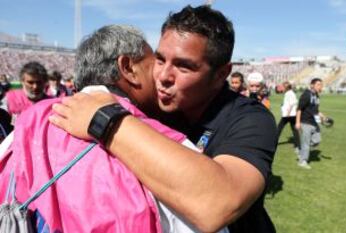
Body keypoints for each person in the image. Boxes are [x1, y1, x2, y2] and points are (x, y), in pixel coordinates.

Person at [50, 5, 278, 233]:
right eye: (160, 59)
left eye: (183, 66)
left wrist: (103, 120)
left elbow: (217, 205)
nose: (163, 76)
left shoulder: (251, 119)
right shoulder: (157, 109)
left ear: (220, 74)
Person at [0, 25, 205, 233]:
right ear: (128, 68)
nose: (161, 75)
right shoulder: (164, 145)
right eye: (155, 64)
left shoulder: (27, 124)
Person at [296, 78, 325, 169]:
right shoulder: (306, 95)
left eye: (321, 85)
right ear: (312, 85)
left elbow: (315, 110)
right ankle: (302, 161)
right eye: (318, 84)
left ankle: (301, 150)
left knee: (317, 140)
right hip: (305, 122)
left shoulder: (316, 95)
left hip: (314, 122)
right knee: (306, 144)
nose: (320, 87)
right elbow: (299, 109)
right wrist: (297, 122)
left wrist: (322, 116)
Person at [277, 81, 300, 154]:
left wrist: (288, 112)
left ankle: (273, 142)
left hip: (288, 115)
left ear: (286, 87)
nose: (282, 88)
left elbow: (292, 103)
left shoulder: (289, 93)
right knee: (295, 130)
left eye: (283, 87)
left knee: (279, 128)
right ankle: (298, 146)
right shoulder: (290, 93)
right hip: (292, 114)